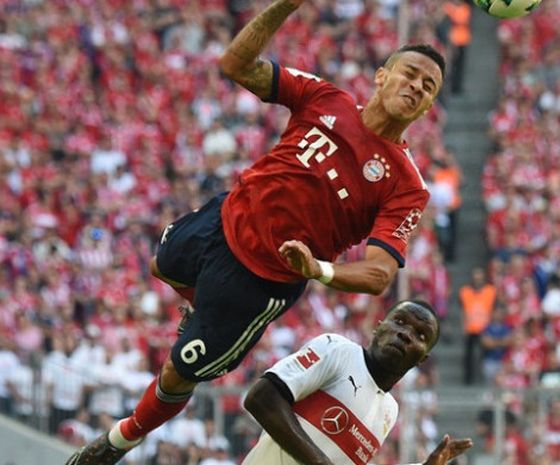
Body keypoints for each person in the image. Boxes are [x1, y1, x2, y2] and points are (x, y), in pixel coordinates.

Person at [65, 0, 445, 463]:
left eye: (428, 87)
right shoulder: (326, 98)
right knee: (158, 265)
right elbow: (235, 64)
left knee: (178, 373)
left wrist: (318, 269)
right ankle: (194, 305)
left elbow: (379, 274)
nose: (416, 87)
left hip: (257, 282)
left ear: (427, 108)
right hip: (222, 220)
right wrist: (286, 5)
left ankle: (118, 440)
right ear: (381, 76)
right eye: (409, 73)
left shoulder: (406, 184)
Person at [241, 300, 472, 465]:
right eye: (399, 321)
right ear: (378, 326)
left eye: (421, 335)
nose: (405, 334)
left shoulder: (389, 411)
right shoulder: (337, 350)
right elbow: (261, 398)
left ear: (422, 359)